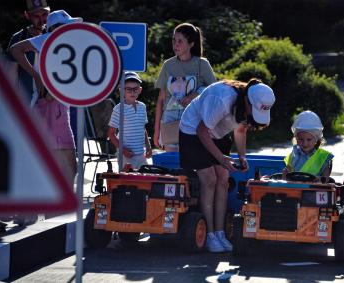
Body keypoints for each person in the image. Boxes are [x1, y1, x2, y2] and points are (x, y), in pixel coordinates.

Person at [179, 78, 276, 252]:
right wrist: (221, 159)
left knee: (223, 179)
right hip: (193, 130)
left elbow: (239, 130)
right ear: (247, 100)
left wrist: (242, 157)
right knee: (209, 179)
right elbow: (202, 130)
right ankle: (209, 234)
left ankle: (220, 232)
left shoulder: (248, 103)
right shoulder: (223, 99)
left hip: (217, 133)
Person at [9, 10, 82, 185]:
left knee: (54, 166)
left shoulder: (56, 42)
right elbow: (15, 49)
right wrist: (36, 76)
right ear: (57, 28)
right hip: (50, 105)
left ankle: (37, 208)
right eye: (67, 26)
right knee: (67, 167)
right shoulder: (49, 39)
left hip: (55, 106)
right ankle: (45, 209)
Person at [154, 22, 216, 152]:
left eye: (180, 41)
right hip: (169, 123)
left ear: (191, 44)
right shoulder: (167, 65)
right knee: (172, 167)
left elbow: (214, 90)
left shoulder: (202, 64)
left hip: (193, 123)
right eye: (174, 40)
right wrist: (156, 131)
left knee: (192, 167)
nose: (175, 44)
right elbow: (161, 100)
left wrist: (197, 93)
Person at [6, 0, 50, 104]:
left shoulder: (54, 36)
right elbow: (12, 75)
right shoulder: (18, 38)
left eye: (44, 14)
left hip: (53, 104)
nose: (41, 20)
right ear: (27, 15)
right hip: (28, 104)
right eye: (36, 16)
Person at [108, 72, 152, 170]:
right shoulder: (118, 109)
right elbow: (111, 133)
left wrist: (148, 147)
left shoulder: (142, 107)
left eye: (135, 89)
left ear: (140, 90)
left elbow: (142, 128)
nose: (132, 92)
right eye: (128, 89)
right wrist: (123, 150)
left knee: (143, 181)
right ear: (122, 91)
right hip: (125, 156)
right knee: (126, 183)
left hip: (141, 154)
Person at [282, 110, 334, 180]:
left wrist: (317, 179)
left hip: (314, 190)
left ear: (316, 139)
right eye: (301, 139)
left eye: (309, 139)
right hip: (294, 189)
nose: (305, 143)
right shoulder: (293, 155)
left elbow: (326, 180)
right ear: (296, 139)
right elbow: (286, 177)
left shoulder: (324, 157)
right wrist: (284, 175)